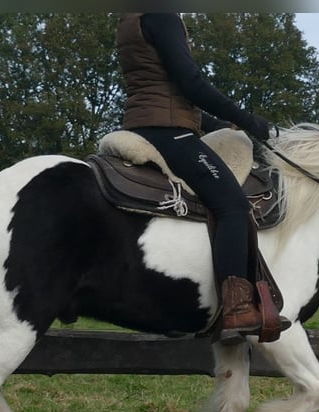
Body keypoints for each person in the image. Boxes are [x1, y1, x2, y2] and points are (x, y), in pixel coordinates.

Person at [116, 12, 287, 344]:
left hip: (149, 123)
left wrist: (218, 127)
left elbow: (165, 91)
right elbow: (190, 82)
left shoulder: (130, 17)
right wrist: (250, 121)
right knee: (233, 206)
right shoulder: (160, 14)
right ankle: (237, 308)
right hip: (168, 132)